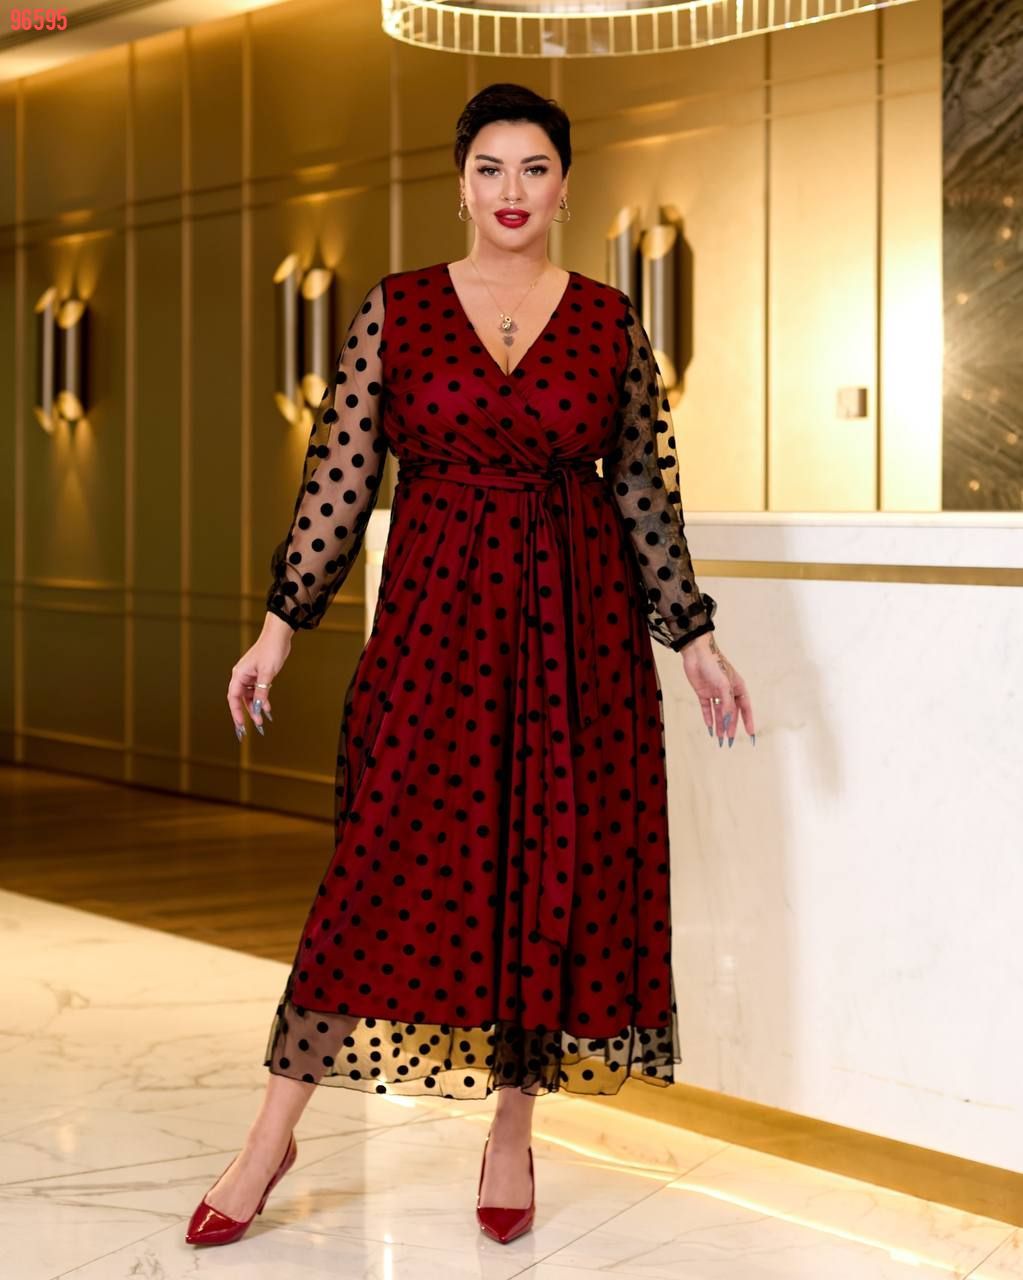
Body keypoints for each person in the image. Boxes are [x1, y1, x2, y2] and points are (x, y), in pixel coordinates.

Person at [187, 81, 755, 1250]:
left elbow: (646, 493)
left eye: (534, 168)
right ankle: (268, 1134)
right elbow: (338, 481)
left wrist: (694, 636)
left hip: (576, 633)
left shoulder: (607, 320)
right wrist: (279, 625)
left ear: (564, 186)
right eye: (490, 167)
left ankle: (511, 1128)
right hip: (434, 629)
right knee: (372, 870)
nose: (511, 190)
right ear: (459, 183)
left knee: (550, 871)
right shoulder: (396, 309)